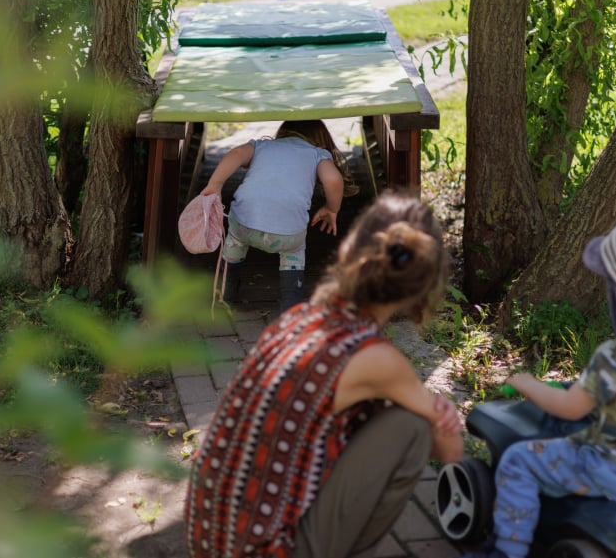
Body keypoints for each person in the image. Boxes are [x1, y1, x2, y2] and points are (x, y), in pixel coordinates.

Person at [185, 193, 465, 558]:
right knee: (409, 428)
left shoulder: (301, 318)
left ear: (351, 250)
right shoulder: (377, 359)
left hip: (210, 540)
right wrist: (437, 409)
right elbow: (450, 450)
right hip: (264, 551)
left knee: (370, 414)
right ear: (423, 286)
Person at [461, 218, 616, 558]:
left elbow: (569, 408)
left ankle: (508, 549)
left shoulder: (614, 360)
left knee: (520, 459)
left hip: (613, 469)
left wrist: (530, 385)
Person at [199, 119, 345, 312]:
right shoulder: (318, 154)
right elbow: (333, 179)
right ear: (320, 137)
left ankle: (225, 294)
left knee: (235, 241)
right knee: (294, 252)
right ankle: (290, 306)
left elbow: (236, 153)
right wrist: (332, 208)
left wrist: (216, 184)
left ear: (283, 131)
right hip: (288, 236)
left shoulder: (262, 146)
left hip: (244, 225)